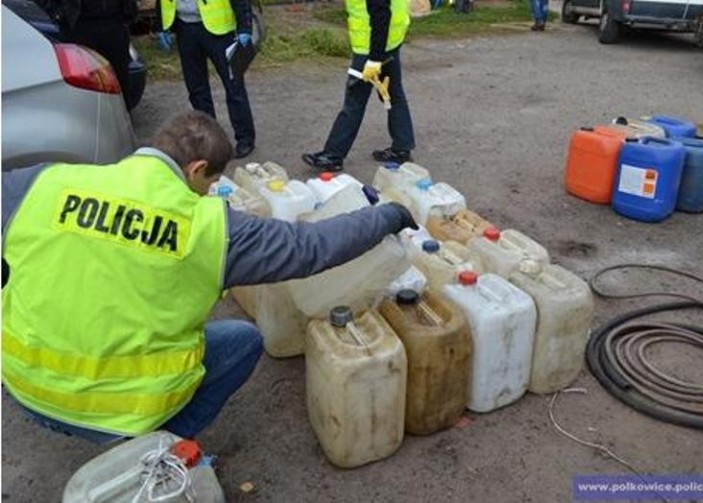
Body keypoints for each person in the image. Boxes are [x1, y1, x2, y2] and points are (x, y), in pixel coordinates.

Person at [1, 111, 417, 444]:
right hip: (118, 411)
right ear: (196, 168)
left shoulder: (45, 181)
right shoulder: (208, 227)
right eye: (212, 182)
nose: (210, 192)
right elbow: (310, 247)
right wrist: (387, 215)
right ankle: (152, 452)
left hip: (24, 388)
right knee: (243, 340)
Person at [301, 0, 415, 172]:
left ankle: (333, 155)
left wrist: (375, 59)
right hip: (391, 38)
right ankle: (402, 148)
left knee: (354, 102)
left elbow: (380, 14)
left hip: (371, 46)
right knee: (393, 94)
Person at [156, 0, 256, 159]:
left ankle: (245, 139)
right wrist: (160, 24)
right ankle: (208, 140)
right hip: (185, 28)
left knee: (234, 86)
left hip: (220, 31)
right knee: (196, 89)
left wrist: (245, 26)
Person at [35, 0, 137, 108]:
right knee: (82, 88)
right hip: (79, 25)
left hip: (114, 23)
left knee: (120, 83)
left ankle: (121, 121)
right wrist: (57, 13)